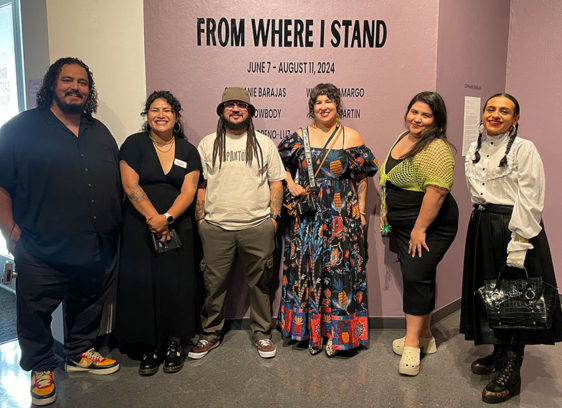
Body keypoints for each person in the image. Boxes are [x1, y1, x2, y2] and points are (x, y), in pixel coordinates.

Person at [0, 57, 121, 406]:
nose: (75, 87)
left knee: (88, 302)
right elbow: (3, 183)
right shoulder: (21, 128)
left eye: (82, 82)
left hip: (95, 242)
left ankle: (80, 352)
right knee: (35, 309)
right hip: (40, 244)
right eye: (68, 80)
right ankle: (41, 367)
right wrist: (9, 230)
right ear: (53, 85)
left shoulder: (98, 131)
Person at [460, 93, 562, 403]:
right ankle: (498, 352)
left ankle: (513, 368)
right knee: (491, 294)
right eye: (491, 109)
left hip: (513, 229)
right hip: (481, 226)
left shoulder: (523, 149)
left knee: (517, 301)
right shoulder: (474, 148)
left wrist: (519, 242)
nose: (495, 115)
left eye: (505, 111)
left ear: (515, 119)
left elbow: (531, 198)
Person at [277, 83, 378, 357]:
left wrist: (361, 213)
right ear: (312, 107)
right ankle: (312, 333)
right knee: (308, 271)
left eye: (329, 102)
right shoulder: (300, 136)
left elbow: (362, 180)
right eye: (319, 102)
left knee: (339, 274)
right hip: (307, 218)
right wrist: (290, 184)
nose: (324, 106)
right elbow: (279, 163)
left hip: (342, 217)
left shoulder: (352, 137)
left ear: (337, 106)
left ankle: (338, 335)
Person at [188, 87, 285, 359]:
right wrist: (201, 219)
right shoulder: (208, 144)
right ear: (221, 111)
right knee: (213, 284)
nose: (235, 109)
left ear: (250, 112)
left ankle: (262, 334)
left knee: (260, 284)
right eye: (229, 105)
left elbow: (276, 183)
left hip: (258, 225)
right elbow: (202, 185)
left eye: (241, 105)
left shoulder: (264, 143)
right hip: (216, 227)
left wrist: (273, 218)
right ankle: (210, 334)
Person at [115, 90, 201, 375]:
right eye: (154, 109)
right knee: (145, 284)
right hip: (140, 226)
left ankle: (175, 342)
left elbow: (189, 190)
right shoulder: (133, 144)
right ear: (147, 115)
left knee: (176, 285)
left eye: (167, 110)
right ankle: (151, 346)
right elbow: (130, 186)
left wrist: (168, 218)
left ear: (176, 117)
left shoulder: (188, 150)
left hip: (178, 226)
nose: (160, 114)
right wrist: (154, 218)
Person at [379, 91, 458, 376]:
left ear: (436, 120)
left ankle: (412, 346)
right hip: (405, 224)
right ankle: (425, 335)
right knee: (421, 276)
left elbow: (437, 191)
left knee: (416, 277)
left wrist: (419, 229)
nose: (417, 119)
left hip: (429, 224)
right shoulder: (403, 138)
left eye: (426, 115)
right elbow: (390, 180)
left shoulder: (436, 147)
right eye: (414, 111)